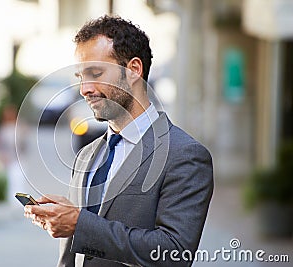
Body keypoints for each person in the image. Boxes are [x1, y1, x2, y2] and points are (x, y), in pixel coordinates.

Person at [24, 15, 213, 267]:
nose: (84, 89)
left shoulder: (185, 156)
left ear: (134, 70)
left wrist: (80, 223)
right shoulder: (87, 155)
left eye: (95, 73)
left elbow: (174, 253)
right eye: (81, 76)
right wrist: (69, 218)